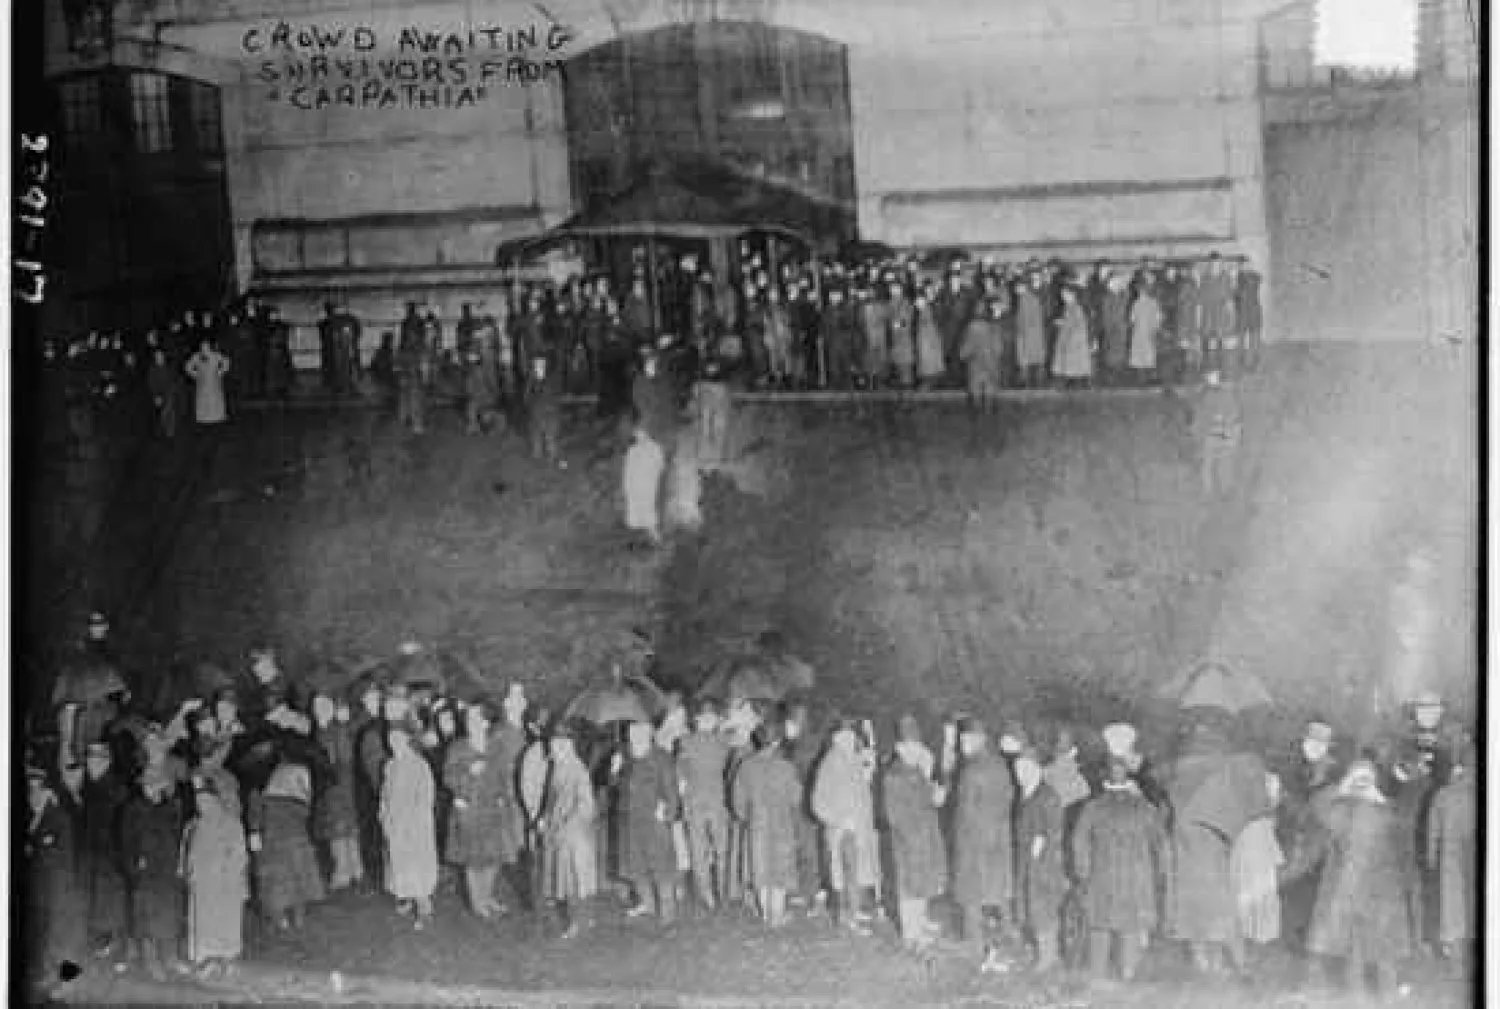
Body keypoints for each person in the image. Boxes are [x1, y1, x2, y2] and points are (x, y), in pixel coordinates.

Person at [1307, 759, 1412, 994]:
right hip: (1377, 891)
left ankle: (1361, 995)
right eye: (1360, 779)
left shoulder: (1341, 810)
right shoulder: (1380, 811)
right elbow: (1401, 835)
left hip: (1355, 889)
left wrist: (1343, 789)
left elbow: (1320, 809)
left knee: (1358, 947)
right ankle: (1385, 994)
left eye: (1366, 779)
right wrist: (1378, 799)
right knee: (1378, 947)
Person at [1072, 756, 1165, 984]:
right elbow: (1160, 842)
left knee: (1100, 924)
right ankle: (1128, 971)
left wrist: (1083, 871)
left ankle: (1098, 972)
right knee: (1129, 924)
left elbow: (1079, 840)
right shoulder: (1144, 807)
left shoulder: (1093, 807)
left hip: (1103, 875)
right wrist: (1158, 873)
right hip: (1134, 876)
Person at [443, 699, 519, 920]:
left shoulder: (496, 746)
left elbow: (504, 775)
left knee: (494, 857)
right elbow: (447, 777)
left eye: (474, 718)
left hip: (493, 809)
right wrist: (468, 772)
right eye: (468, 718)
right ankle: (479, 905)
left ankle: (487, 896)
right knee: (475, 859)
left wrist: (504, 796)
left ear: (486, 722)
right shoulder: (458, 747)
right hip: (470, 810)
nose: (469, 721)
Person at [951, 717, 1016, 969]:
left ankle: (975, 948)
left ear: (977, 739)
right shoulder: (1000, 765)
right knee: (997, 891)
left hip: (974, 841)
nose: (961, 745)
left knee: (971, 895)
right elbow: (1008, 798)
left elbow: (965, 811)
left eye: (964, 740)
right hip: (997, 838)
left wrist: (959, 838)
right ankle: (1006, 936)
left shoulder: (970, 770)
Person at [880, 715, 947, 951]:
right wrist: (915, 837)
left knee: (923, 883)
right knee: (909, 887)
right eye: (912, 748)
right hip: (908, 842)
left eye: (918, 747)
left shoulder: (916, 771)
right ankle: (911, 934)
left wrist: (935, 795)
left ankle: (920, 923)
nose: (916, 752)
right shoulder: (894, 775)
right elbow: (894, 815)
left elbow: (927, 799)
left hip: (924, 836)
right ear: (900, 748)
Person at [730, 723, 803, 928]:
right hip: (781, 824)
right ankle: (777, 914)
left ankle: (766, 913)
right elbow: (796, 798)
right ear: (777, 742)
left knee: (759, 867)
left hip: (757, 824)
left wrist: (747, 816)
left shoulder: (746, 766)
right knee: (780, 868)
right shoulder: (786, 767)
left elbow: (737, 802)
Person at [811, 720, 879, 934]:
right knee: (845, 874)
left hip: (857, 829)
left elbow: (862, 791)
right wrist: (838, 820)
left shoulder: (853, 759)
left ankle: (852, 912)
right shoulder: (831, 762)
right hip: (843, 830)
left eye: (853, 737)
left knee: (854, 873)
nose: (852, 741)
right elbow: (818, 803)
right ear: (838, 738)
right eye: (847, 737)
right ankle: (847, 917)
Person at [120, 758, 185, 980]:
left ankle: (170, 958)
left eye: (157, 783)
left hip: (167, 870)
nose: (153, 788)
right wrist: (134, 867)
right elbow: (125, 843)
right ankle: (151, 961)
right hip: (145, 873)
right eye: (149, 784)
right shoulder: (132, 809)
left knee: (169, 915)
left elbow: (178, 836)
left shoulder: (171, 807)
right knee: (146, 919)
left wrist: (179, 863)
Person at [26, 765, 85, 995]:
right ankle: (48, 975)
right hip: (40, 888)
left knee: (59, 936)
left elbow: (64, 856)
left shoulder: (60, 818)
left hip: (59, 888)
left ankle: (66, 983)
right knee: (43, 935)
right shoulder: (30, 817)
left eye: (38, 790)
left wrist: (38, 848)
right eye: (30, 790)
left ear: (47, 791)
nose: (33, 795)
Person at [182, 773, 248, 978]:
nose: (202, 805)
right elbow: (186, 852)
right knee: (202, 923)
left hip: (224, 884)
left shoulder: (231, 824)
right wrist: (187, 871)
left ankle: (227, 959)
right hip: (201, 883)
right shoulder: (193, 825)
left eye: (206, 799)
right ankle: (205, 959)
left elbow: (239, 855)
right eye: (198, 800)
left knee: (225, 921)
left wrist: (227, 872)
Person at [249, 759, 326, 934]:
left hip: (273, 848)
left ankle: (280, 920)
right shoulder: (299, 802)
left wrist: (255, 844)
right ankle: (299, 918)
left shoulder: (262, 798)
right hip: (298, 846)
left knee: (275, 886)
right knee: (299, 883)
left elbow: (255, 821)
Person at [617, 720, 681, 924]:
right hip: (633, 821)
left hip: (655, 823)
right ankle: (649, 906)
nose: (632, 740)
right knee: (637, 867)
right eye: (630, 736)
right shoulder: (628, 759)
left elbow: (672, 790)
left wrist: (668, 813)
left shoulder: (662, 758)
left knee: (662, 868)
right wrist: (615, 771)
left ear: (648, 736)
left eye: (636, 736)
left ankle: (668, 915)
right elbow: (619, 789)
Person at [542, 719, 598, 939]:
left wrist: (569, 824)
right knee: (569, 880)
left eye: (558, 746)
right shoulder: (558, 767)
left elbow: (587, 805)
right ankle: (583, 919)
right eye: (552, 745)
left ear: (568, 745)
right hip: (561, 833)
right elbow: (552, 799)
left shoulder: (578, 770)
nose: (553, 751)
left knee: (575, 880)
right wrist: (546, 818)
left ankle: (579, 922)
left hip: (575, 836)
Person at [381, 723, 439, 927]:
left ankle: (424, 908)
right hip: (395, 823)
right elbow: (385, 794)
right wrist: (384, 816)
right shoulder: (390, 765)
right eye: (391, 739)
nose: (394, 743)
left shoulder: (420, 765)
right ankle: (406, 897)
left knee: (418, 864)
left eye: (398, 739)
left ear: (407, 740)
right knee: (399, 863)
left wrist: (415, 822)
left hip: (415, 826)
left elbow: (426, 797)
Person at [1015, 750, 1068, 973]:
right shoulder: (1027, 793)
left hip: (1044, 863)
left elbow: (1056, 829)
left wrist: (1043, 841)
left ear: (1036, 769)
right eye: (1018, 770)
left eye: (1025, 769)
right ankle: (1039, 950)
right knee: (1030, 905)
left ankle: (1048, 956)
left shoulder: (1047, 795)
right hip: (1028, 859)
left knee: (1043, 908)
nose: (1020, 774)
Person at [677, 699, 732, 910]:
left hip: (694, 801)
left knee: (698, 850)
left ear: (697, 719)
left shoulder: (685, 742)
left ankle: (706, 894)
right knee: (722, 850)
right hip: (717, 800)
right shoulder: (722, 742)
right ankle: (724, 892)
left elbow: (680, 776)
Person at [1425, 740, 1475, 966]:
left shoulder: (1444, 795)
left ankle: (1457, 961)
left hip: (1450, 858)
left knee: (1453, 909)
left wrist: (1430, 860)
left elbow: (1432, 833)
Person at [80, 741, 130, 960]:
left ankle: (118, 950)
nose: (92, 763)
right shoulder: (89, 786)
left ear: (108, 761)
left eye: (98, 759)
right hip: (94, 855)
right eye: (90, 758)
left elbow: (124, 826)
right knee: (99, 902)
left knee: (112, 903)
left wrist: (119, 856)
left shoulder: (117, 788)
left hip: (111, 857)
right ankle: (103, 945)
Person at [1231, 771, 1286, 963]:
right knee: (1252, 903)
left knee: (1253, 903)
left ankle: (1249, 950)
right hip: (1254, 861)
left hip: (1254, 861)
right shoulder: (1258, 818)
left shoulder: (1260, 815)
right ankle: (1249, 950)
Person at [312, 692, 363, 891]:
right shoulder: (324, 730)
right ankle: (354, 869)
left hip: (336, 785)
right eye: (317, 708)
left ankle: (344, 871)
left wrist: (333, 777)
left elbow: (343, 760)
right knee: (344, 827)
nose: (319, 711)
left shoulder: (332, 731)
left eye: (323, 707)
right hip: (336, 785)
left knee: (339, 829)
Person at [1195, 370, 1242, 498]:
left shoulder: (1226, 395)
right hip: (1212, 435)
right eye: (1209, 377)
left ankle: (1224, 490)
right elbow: (1201, 417)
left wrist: (1231, 433)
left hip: (1223, 435)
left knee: (1223, 464)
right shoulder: (1205, 396)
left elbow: (1234, 415)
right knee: (1208, 465)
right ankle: (1209, 491)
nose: (1212, 380)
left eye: (1214, 377)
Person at [622, 424, 667, 547]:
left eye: (641, 433)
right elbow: (628, 470)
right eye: (637, 433)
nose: (639, 435)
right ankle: (639, 541)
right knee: (635, 511)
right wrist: (627, 485)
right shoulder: (633, 450)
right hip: (636, 485)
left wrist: (652, 475)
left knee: (647, 510)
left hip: (647, 484)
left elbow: (660, 465)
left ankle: (654, 538)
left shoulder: (654, 448)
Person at [960, 299, 1005, 417]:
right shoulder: (994, 326)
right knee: (990, 385)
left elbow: (967, 346)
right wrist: (996, 357)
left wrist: (963, 355)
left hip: (975, 362)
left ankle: (977, 409)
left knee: (975, 385)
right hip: (990, 361)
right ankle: (988, 409)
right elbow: (998, 347)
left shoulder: (972, 327)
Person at [525, 355, 564, 467]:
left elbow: (555, 396)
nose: (538, 368)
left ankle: (551, 455)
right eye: (536, 366)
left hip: (548, 413)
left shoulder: (552, 380)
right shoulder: (532, 381)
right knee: (537, 433)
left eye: (541, 366)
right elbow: (527, 397)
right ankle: (539, 453)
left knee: (550, 435)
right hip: (538, 412)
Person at [1051, 285, 1092, 388]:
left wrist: (1062, 323)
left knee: (1073, 363)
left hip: (1073, 340)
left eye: (1065, 294)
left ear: (1072, 294)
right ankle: (1074, 381)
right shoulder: (1069, 307)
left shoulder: (1076, 308)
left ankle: (1076, 383)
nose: (1063, 296)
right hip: (1071, 338)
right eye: (1062, 294)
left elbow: (1075, 323)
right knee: (1072, 363)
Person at [184, 338, 230, 428]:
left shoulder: (215, 355)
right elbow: (188, 366)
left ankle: (217, 416)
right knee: (202, 400)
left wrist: (220, 371)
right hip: (202, 383)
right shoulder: (197, 356)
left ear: (209, 347)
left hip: (214, 383)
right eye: (202, 346)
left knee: (215, 399)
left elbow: (226, 362)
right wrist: (195, 374)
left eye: (205, 346)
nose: (204, 348)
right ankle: (203, 417)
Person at [1128, 281, 1162, 383]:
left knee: (1142, 354)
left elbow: (1132, 319)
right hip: (1147, 332)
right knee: (1147, 353)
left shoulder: (1137, 303)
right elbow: (1159, 318)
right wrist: (1156, 327)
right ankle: (1146, 376)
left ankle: (1143, 377)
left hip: (1141, 332)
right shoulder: (1152, 303)